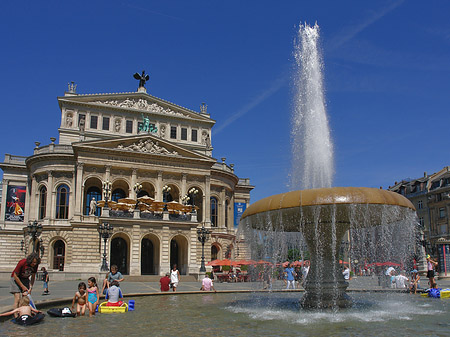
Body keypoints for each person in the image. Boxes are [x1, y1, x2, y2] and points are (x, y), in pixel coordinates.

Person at [10, 252, 40, 316]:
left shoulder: (35, 265)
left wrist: (30, 287)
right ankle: (16, 316)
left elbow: (33, 276)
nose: (34, 264)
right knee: (17, 298)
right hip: (16, 278)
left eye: (36, 263)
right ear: (30, 260)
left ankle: (24, 313)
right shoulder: (22, 262)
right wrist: (22, 286)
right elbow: (15, 276)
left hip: (25, 279)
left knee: (25, 298)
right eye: (33, 262)